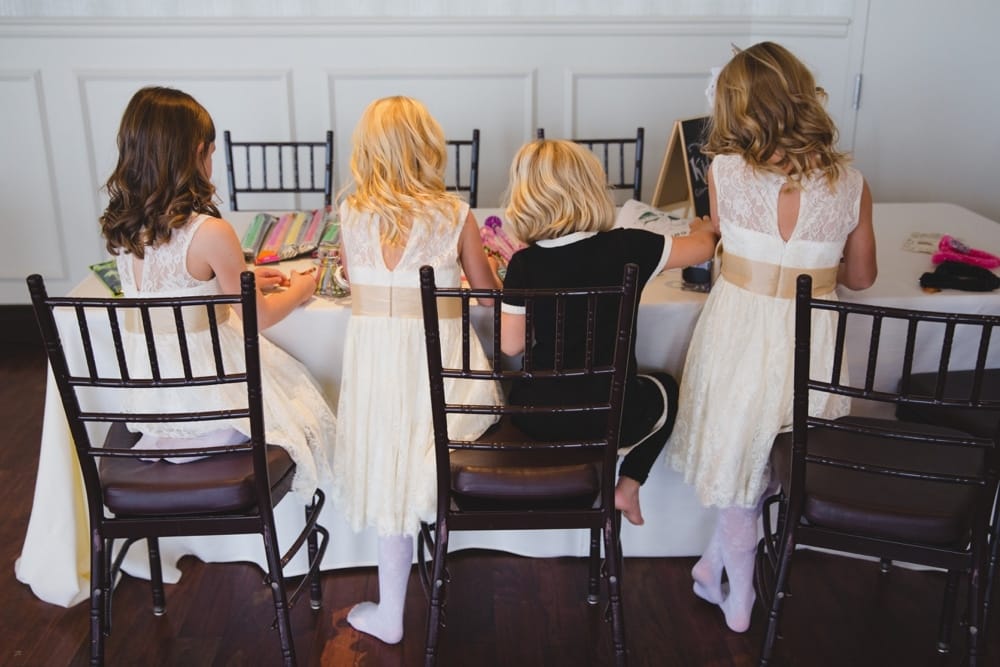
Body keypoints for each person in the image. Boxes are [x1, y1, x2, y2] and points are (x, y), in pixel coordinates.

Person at [667, 41, 878, 633]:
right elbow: (861, 279)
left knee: (741, 465)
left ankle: (739, 602)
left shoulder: (724, 172)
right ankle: (715, 572)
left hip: (739, 333)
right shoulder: (853, 184)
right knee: (759, 463)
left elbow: (712, 245)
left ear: (738, 108)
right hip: (806, 343)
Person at [99, 86, 335, 498]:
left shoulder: (126, 230)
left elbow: (174, 292)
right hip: (213, 415)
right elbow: (257, 317)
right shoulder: (210, 232)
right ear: (197, 153)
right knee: (307, 394)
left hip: (152, 412)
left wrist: (235, 284)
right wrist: (301, 289)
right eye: (210, 152)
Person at [330, 96, 501, 644]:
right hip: (442, 381)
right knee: (426, 444)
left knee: (390, 460)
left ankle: (391, 611)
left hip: (380, 377)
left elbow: (351, 277)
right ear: (429, 150)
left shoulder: (350, 213)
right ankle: (430, 508)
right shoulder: (454, 214)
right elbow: (489, 298)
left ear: (367, 153)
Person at [499, 139, 719, 527]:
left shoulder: (524, 264)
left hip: (539, 418)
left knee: (518, 384)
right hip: (612, 418)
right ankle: (629, 484)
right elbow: (702, 248)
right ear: (592, 189)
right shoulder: (631, 246)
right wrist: (703, 226)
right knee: (668, 387)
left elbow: (511, 345)